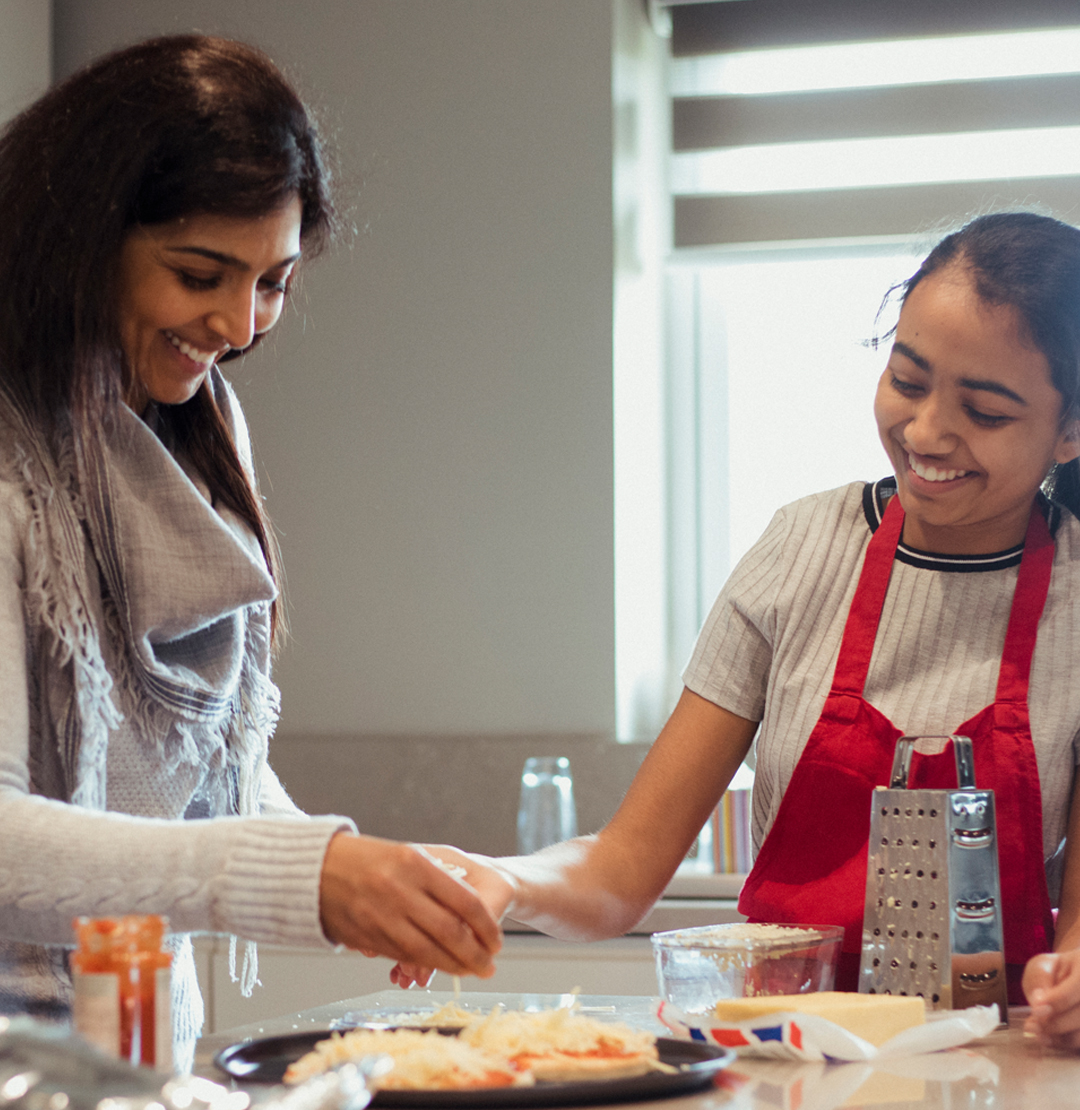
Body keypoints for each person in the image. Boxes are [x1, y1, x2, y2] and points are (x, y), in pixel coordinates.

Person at [396, 211, 1080, 1039]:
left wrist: (1070, 985)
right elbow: (621, 871)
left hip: (993, 1088)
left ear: (1069, 431)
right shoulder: (802, 551)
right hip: (791, 1081)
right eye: (907, 380)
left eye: (986, 411)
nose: (928, 431)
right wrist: (503, 879)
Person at [0, 34, 501, 1057]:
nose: (238, 323)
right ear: (85, 235)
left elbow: (202, 783)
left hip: (131, 1072)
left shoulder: (197, 422)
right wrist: (300, 875)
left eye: (273, 281)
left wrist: (364, 868)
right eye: (200, 273)